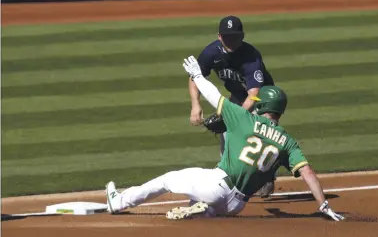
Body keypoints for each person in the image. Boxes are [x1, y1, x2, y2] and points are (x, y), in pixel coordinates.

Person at [104, 56, 345, 222]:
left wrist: (197, 76)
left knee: (168, 180)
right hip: (236, 205)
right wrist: (323, 205)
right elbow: (308, 173)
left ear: (264, 106)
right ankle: (202, 211)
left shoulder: (244, 118)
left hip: (217, 185)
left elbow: (213, 94)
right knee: (209, 207)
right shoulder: (288, 142)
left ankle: (119, 202)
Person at [189, 15, 276, 197]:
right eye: (227, 36)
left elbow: (254, 94)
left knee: (258, 136)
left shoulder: (251, 56)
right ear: (219, 36)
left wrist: (236, 117)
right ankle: (228, 178)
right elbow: (195, 77)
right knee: (227, 136)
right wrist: (195, 105)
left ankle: (266, 176)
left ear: (242, 36)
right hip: (238, 95)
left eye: (234, 36)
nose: (231, 40)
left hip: (263, 99)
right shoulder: (211, 53)